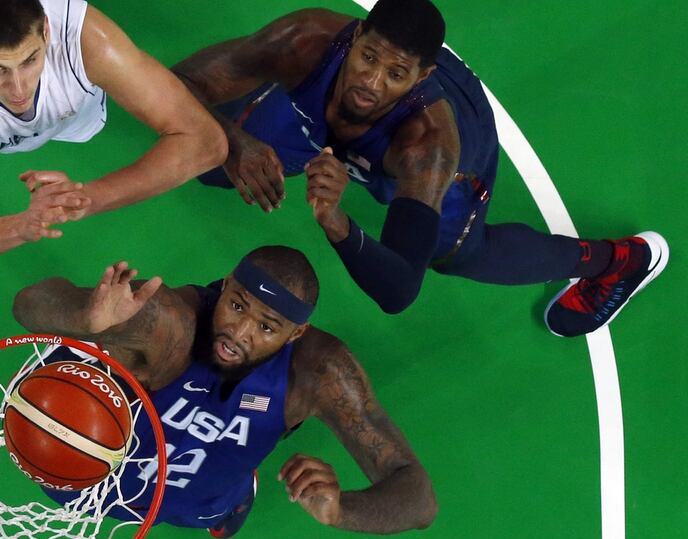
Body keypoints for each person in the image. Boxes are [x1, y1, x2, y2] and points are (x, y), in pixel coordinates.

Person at [171, 0, 668, 337]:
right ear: (355, 35)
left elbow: (399, 289)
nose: (371, 81)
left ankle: (617, 262)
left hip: (444, 148)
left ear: (420, 76)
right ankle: (296, 141)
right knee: (210, 159)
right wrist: (236, 144)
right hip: (334, 115)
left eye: (395, 75)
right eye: (367, 58)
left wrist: (337, 222)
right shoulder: (302, 41)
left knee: (457, 255)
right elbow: (179, 84)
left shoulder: (429, 148)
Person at [12, 246, 437, 537]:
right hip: (88, 468)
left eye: (267, 327)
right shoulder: (168, 325)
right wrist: (85, 316)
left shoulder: (318, 371)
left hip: (200, 495)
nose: (239, 333)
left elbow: (417, 496)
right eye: (236, 305)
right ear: (228, 282)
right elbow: (31, 302)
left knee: (218, 507)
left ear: (296, 333)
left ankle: (235, 500)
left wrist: (343, 510)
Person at [0, 0, 226, 283]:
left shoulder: (84, 38)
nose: (19, 88)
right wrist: (19, 226)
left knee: (85, 125)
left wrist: (85, 199)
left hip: (64, 111)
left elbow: (205, 142)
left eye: (30, 60)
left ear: (47, 31)